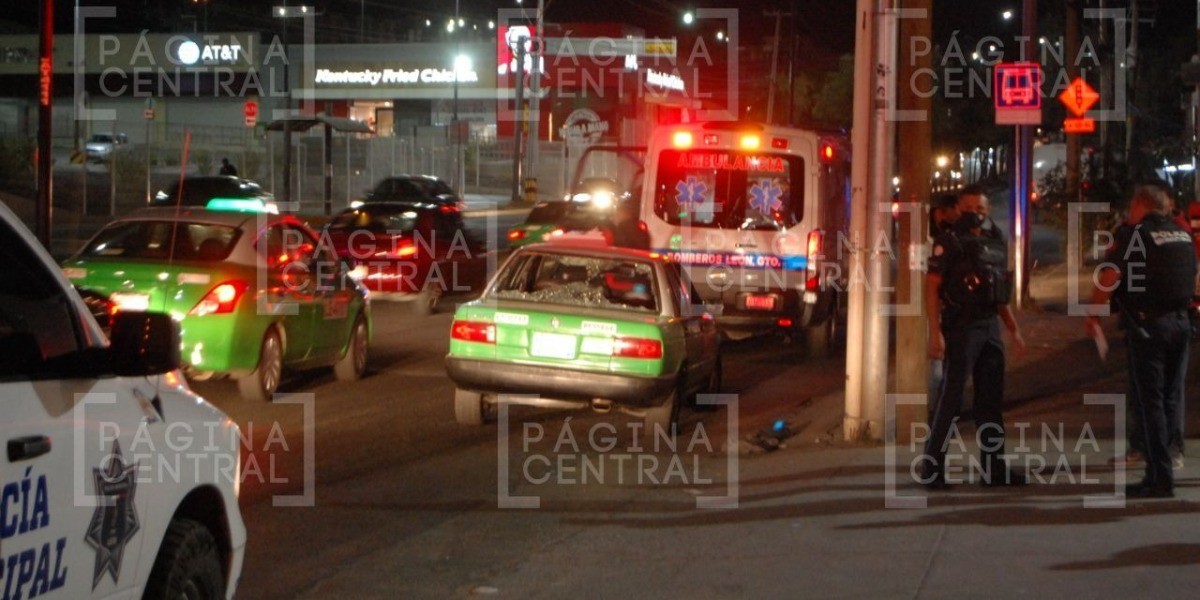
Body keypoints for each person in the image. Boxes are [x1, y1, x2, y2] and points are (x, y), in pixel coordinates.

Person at [1085, 183, 1196, 498]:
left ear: (1139, 205)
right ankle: (1169, 459)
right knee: (1171, 397)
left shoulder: (1136, 235)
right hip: (1181, 323)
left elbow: (1109, 276)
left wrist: (1093, 313)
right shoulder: (1181, 234)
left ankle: (1159, 477)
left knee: (1151, 402)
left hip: (1150, 327)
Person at [921, 185, 1027, 489]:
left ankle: (994, 469)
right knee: (951, 399)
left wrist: (1013, 328)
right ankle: (932, 468)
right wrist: (935, 333)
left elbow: (998, 291)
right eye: (968, 209)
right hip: (961, 325)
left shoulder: (995, 241)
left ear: (988, 211)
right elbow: (932, 287)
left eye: (980, 210)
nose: (975, 215)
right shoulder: (949, 241)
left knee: (991, 401)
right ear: (957, 209)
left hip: (989, 324)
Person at [928, 193, 961, 399]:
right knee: (938, 363)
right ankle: (938, 406)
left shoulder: (949, 237)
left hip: (946, 310)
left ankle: (940, 405)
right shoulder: (938, 239)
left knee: (942, 362)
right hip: (938, 308)